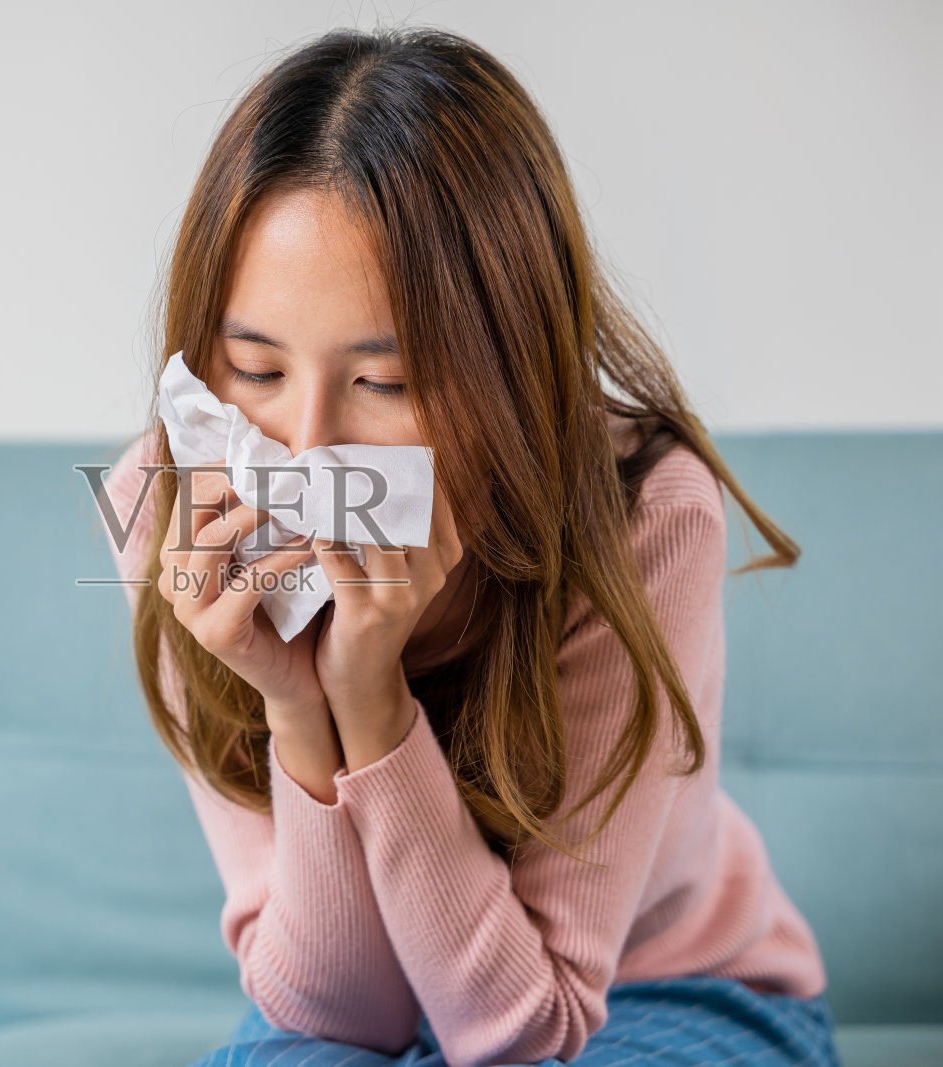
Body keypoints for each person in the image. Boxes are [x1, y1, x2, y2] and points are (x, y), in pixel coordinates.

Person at [94, 24, 842, 1067]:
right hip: (354, 996)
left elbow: (525, 1030)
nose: (306, 445)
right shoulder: (166, 499)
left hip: (660, 987)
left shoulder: (642, 513)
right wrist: (297, 705)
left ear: (508, 369)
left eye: (385, 382)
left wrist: (373, 696)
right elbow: (338, 1014)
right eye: (255, 369)